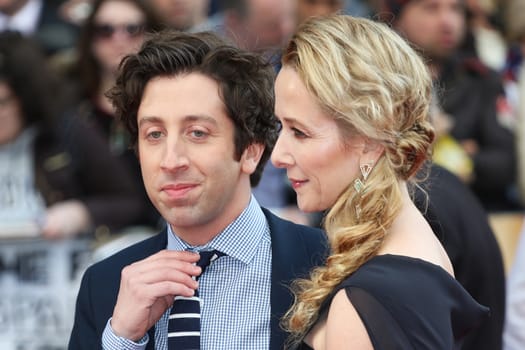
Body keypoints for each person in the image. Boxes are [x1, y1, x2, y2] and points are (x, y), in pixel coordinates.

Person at [68, 30, 328, 349]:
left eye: (197, 133)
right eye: (154, 134)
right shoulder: (104, 285)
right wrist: (121, 339)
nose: (171, 160)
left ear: (251, 150)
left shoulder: (327, 264)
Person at [271, 15, 488, 349]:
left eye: (299, 132)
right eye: (280, 127)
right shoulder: (410, 253)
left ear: (370, 140)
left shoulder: (369, 299)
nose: (278, 155)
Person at [0, 31, 143, 239]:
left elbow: (130, 201)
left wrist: (82, 212)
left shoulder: (66, 133)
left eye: (2, 103)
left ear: (25, 98)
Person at [379, 0, 518, 212]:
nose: (448, 21)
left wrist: (462, 160)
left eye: (456, 9)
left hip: (472, 213)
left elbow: (506, 163)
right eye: (431, 8)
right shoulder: (375, 82)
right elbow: (364, 169)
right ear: (397, 16)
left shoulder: (481, 79)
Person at [69, 0, 164, 229]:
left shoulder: (171, 100)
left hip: (161, 229)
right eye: (106, 30)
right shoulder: (70, 104)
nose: (119, 40)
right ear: (90, 39)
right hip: (90, 236)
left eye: (132, 29)